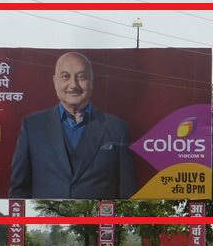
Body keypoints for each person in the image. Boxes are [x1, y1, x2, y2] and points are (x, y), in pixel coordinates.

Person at [8, 51, 138, 200]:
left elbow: (128, 193)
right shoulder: (32, 126)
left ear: (91, 81)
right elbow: (18, 190)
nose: (73, 85)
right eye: (65, 76)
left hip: (97, 221)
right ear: (55, 81)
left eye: (81, 77)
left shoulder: (117, 128)